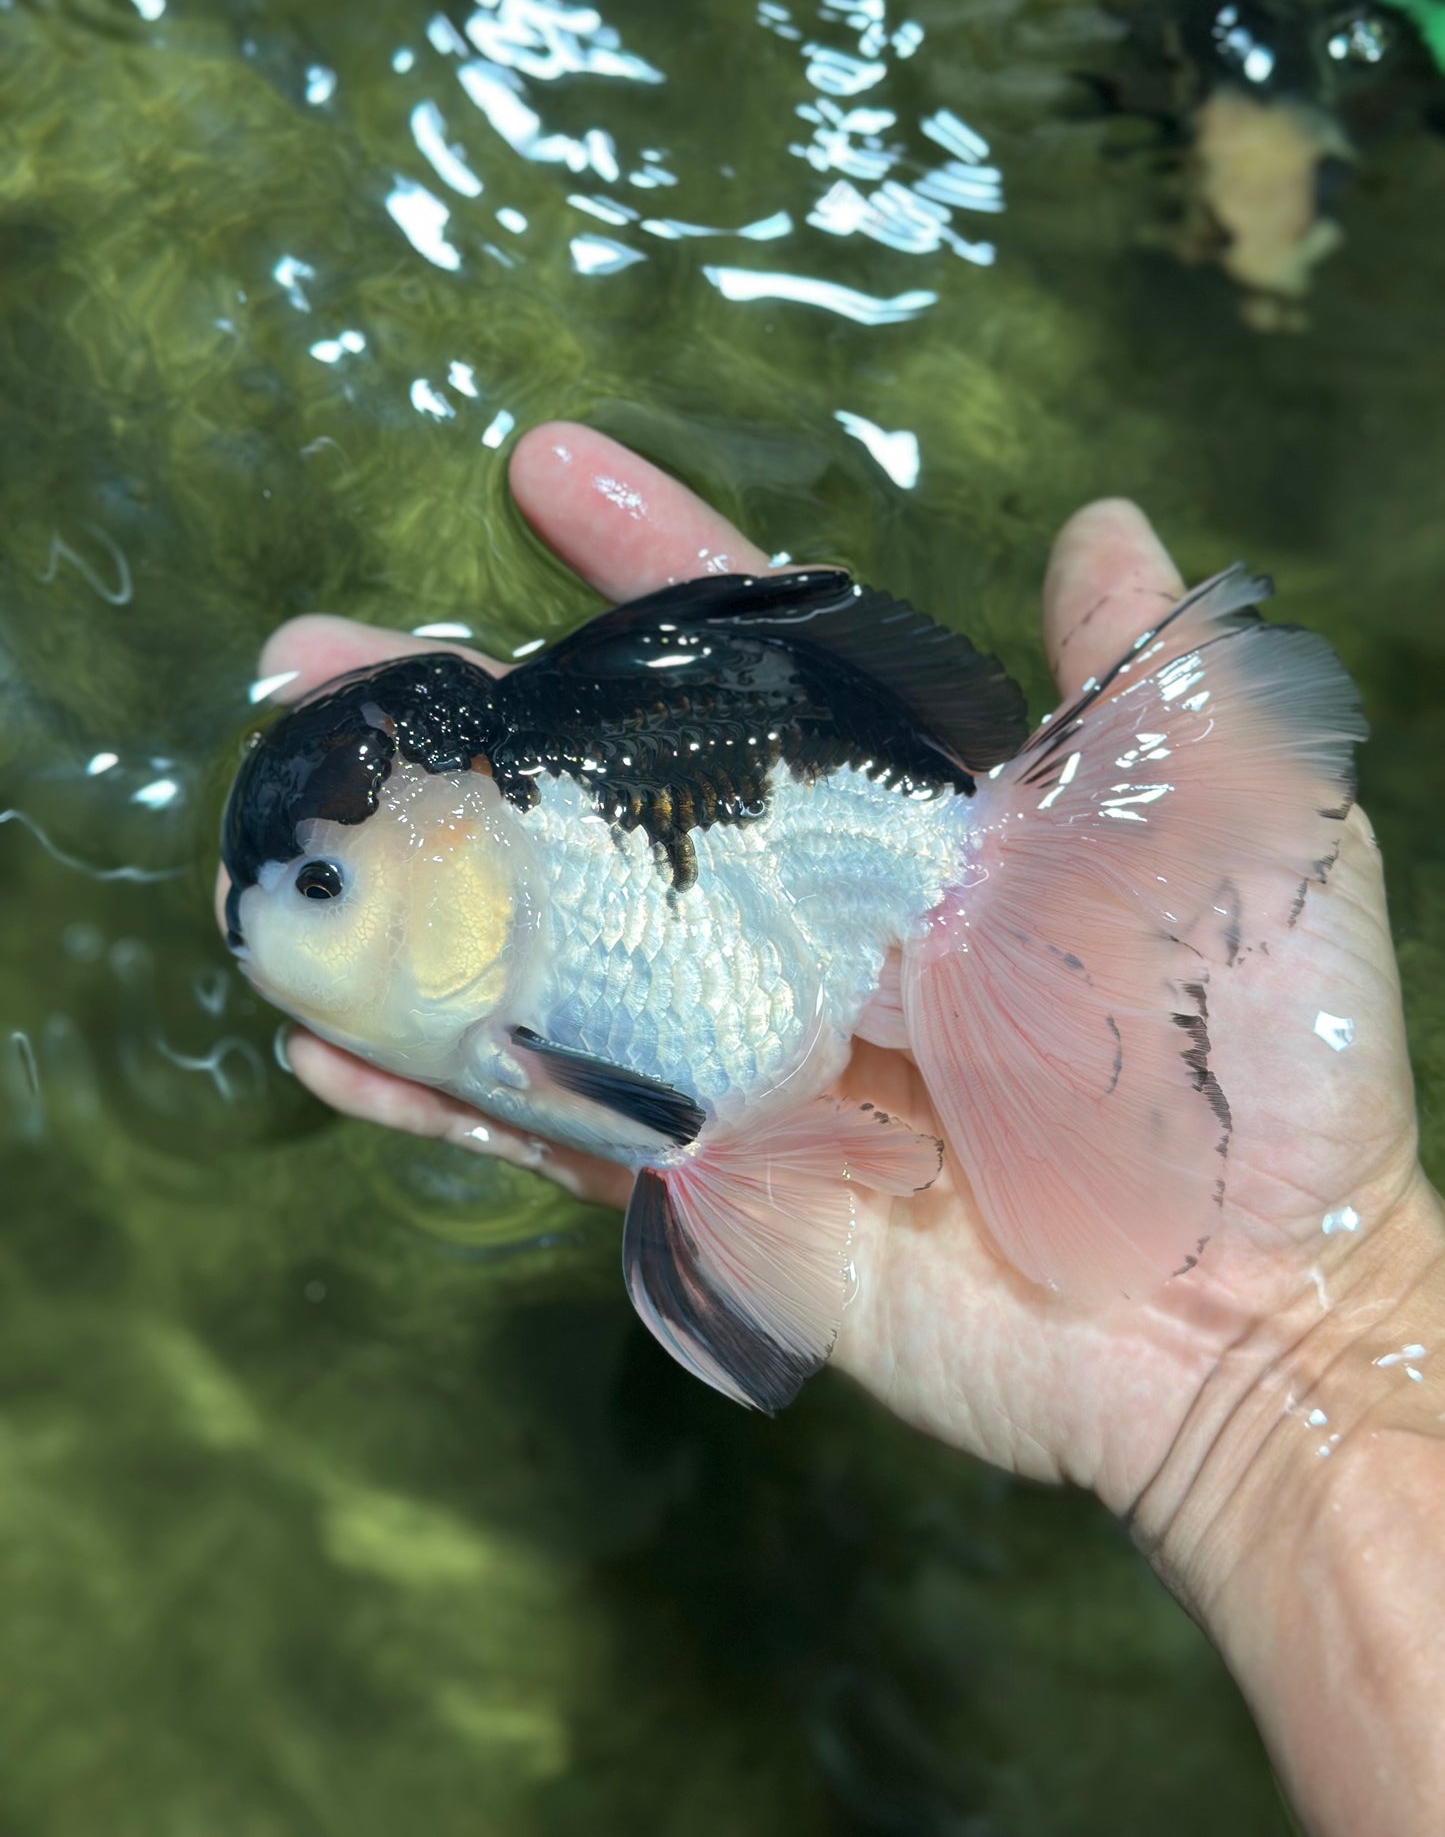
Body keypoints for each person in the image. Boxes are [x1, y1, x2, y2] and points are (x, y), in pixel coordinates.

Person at [222, 422, 1445, 1837]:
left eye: (319, 894)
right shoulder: (504, 935)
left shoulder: (519, 976)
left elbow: (679, 1131)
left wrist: (1315, 1351)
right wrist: (1315, 1361)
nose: (275, 939)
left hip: (856, 819)